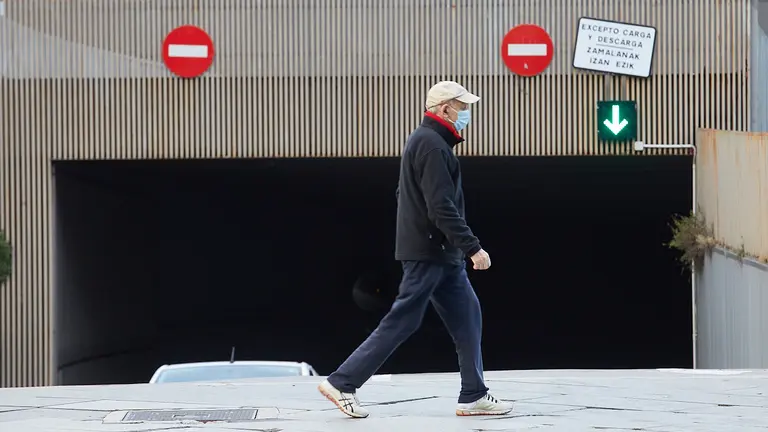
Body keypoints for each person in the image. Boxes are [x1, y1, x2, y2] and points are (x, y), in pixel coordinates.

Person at [318, 81, 513, 418]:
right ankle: (342, 382)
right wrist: (473, 247)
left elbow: (402, 195)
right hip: (431, 253)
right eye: (461, 106)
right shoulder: (433, 146)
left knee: (468, 317)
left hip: (440, 254)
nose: (466, 112)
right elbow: (441, 207)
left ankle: (473, 394)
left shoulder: (426, 142)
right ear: (442, 109)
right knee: (403, 321)